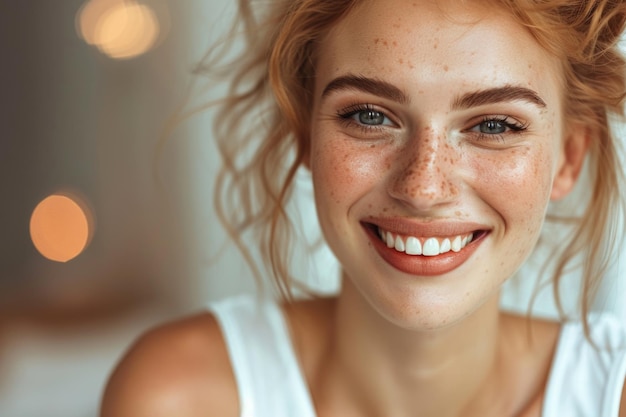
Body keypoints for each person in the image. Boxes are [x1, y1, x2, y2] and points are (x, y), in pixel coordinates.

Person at [100, 0, 626, 416]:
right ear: (304, 132)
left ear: (568, 157)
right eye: (370, 116)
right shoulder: (179, 398)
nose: (423, 187)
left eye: (494, 126)